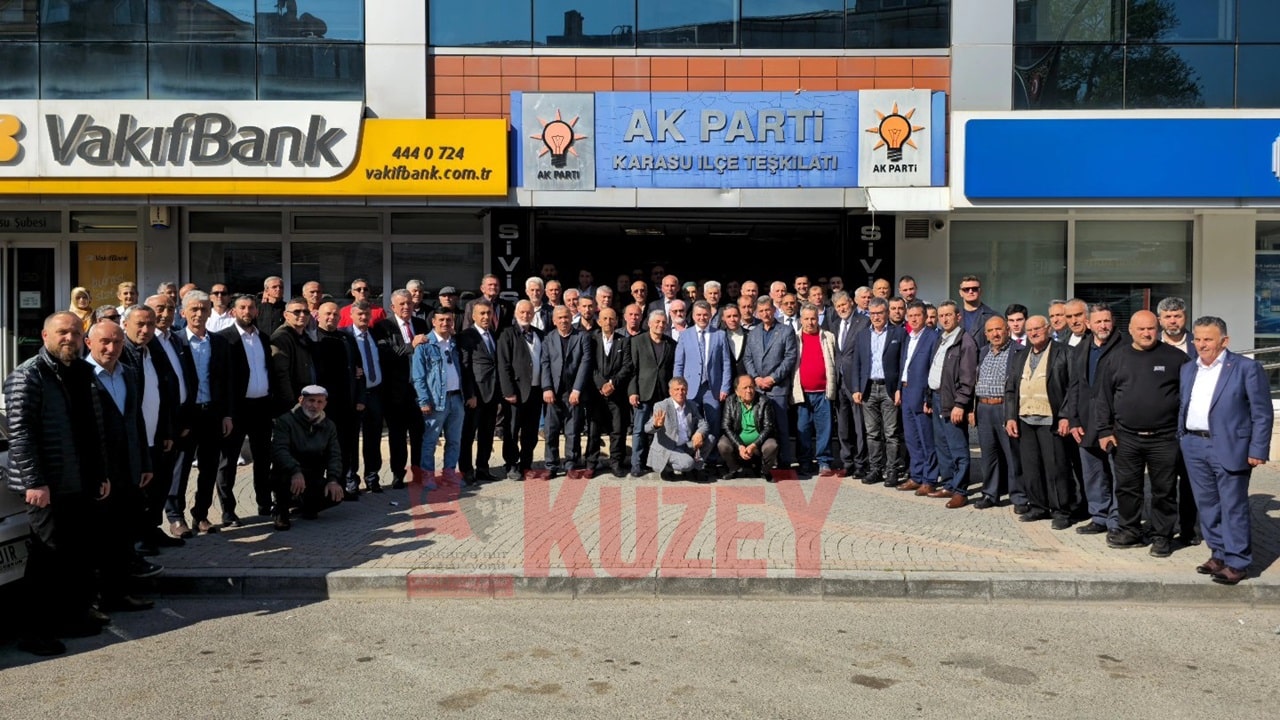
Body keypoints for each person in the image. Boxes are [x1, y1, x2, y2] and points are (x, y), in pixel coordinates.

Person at [3, 312, 111, 656]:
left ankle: (71, 618)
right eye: (62, 332)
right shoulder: (28, 376)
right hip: (46, 486)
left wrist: (100, 473)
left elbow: (92, 429)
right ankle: (34, 632)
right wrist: (34, 481)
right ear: (45, 335)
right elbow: (20, 435)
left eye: (76, 333)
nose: (70, 338)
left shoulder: (80, 372)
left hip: (78, 481)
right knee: (46, 559)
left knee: (75, 556)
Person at [1178, 316, 1272, 585]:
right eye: (1197, 339)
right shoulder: (1188, 368)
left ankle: (1237, 561)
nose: (1201, 344)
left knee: (1233, 506)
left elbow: (1262, 413)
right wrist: (1182, 438)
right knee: (1207, 505)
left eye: (1208, 339)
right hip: (1194, 445)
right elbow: (1184, 405)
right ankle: (1218, 554)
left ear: (1224, 341)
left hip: (1231, 447)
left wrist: (1258, 449)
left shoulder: (1246, 368)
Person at [1095, 310, 1192, 558]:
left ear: (1158, 329)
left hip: (1165, 438)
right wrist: (1104, 430)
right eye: (1141, 329)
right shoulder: (1116, 358)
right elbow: (1103, 397)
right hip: (1126, 437)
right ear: (1131, 330)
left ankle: (1162, 537)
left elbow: (1188, 397)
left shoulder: (1176, 358)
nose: (1147, 333)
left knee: (1164, 490)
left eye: (1151, 328)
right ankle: (1130, 531)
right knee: (1127, 488)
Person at [85, 320, 161, 610]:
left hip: (128, 468)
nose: (111, 348)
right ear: (89, 343)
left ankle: (118, 594)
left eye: (117, 342)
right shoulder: (80, 376)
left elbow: (135, 420)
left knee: (122, 533)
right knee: (98, 537)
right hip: (98, 470)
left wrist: (144, 461)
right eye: (104, 342)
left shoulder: (128, 372)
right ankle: (95, 598)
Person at [119, 304, 182, 555]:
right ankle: (136, 538)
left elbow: (165, 391)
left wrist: (167, 430)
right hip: (135, 439)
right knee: (138, 491)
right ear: (125, 324)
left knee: (159, 486)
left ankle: (151, 529)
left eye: (150, 325)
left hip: (156, 434)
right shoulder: (122, 353)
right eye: (140, 324)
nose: (146, 330)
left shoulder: (152, 351)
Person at [1004, 315, 1074, 528]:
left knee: (1056, 467)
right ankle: (1038, 507)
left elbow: (1073, 387)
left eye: (1038, 329)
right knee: (1031, 467)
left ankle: (1061, 510)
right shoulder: (1020, 355)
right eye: (1030, 330)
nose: (1033, 333)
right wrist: (1010, 417)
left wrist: (1066, 415)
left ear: (1048, 328)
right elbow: (1011, 388)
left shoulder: (1064, 352)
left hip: (1051, 419)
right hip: (1025, 419)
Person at [177, 290, 234, 536]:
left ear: (210, 312)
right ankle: (176, 516)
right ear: (183, 312)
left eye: (203, 309)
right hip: (187, 416)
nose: (199, 313)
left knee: (209, 468)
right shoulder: (176, 342)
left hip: (212, 413)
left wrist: (227, 414)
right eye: (194, 309)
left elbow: (227, 381)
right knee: (180, 469)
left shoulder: (219, 343)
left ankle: (200, 515)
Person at [1065, 303, 1125, 533]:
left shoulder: (1125, 346)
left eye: (1106, 320)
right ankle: (1099, 516)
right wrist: (1073, 420)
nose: (1103, 325)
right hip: (1086, 421)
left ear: (1113, 322)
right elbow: (1074, 387)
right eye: (1098, 321)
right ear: (1089, 324)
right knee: (1093, 472)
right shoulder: (1081, 348)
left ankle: (1117, 519)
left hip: (1115, 422)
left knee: (1118, 474)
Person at [218, 294, 275, 522]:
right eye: (242, 307)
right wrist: (226, 412)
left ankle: (264, 503)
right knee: (229, 461)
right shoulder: (224, 339)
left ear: (257, 311)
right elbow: (222, 378)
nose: (247, 312)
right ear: (233, 311)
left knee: (263, 458)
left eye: (251, 307)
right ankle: (228, 509)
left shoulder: (263, 338)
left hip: (262, 407)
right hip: (237, 409)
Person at [924, 300, 977, 506]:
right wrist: (929, 398)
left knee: (958, 447)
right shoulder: (941, 338)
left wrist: (960, 404)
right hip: (937, 397)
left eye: (949, 315)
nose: (944, 319)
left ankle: (960, 491)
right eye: (941, 315)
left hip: (953, 402)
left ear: (958, 317)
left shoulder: (965, 342)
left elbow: (968, 378)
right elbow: (935, 369)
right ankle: (948, 484)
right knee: (943, 446)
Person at [270, 385, 345, 530]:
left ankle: (307, 506)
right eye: (311, 400)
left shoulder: (329, 426)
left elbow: (334, 455)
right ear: (301, 400)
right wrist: (295, 471)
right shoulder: (285, 421)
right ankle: (281, 510)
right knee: (282, 480)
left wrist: (333, 479)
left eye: (319, 402)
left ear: (325, 404)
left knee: (335, 493)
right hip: (288, 473)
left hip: (312, 474)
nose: (315, 406)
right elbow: (279, 451)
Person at [375, 289, 429, 488]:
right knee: (397, 435)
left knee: (418, 434)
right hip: (395, 391)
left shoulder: (421, 324)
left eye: (409, 303)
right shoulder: (383, 326)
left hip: (418, 391)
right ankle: (398, 474)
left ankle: (418, 472)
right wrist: (411, 345)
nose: (407, 307)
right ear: (392, 307)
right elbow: (386, 354)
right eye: (402, 304)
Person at [970, 315, 1024, 509]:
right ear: (986, 334)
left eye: (999, 329)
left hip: (1004, 408)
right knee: (988, 455)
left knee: (1012, 454)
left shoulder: (1018, 351)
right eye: (991, 331)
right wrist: (973, 409)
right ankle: (990, 494)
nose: (995, 334)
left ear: (1007, 330)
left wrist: (1012, 413)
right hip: (984, 408)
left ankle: (1019, 497)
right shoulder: (983, 351)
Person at [850, 297, 905, 486]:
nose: (876, 317)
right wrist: (856, 388)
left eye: (880, 313)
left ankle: (892, 470)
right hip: (868, 388)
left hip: (889, 388)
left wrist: (899, 389)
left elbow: (902, 363)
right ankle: (875, 469)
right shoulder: (862, 335)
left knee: (891, 433)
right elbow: (856, 363)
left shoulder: (898, 333)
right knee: (872, 432)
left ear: (887, 313)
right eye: (872, 314)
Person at [315, 301, 365, 497]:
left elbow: (360, 369)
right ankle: (319, 489)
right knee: (320, 450)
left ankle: (342, 486)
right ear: (318, 316)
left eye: (335, 314)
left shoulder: (346, 338)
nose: (332, 317)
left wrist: (360, 398)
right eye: (328, 314)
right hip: (321, 407)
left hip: (347, 404)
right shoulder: (313, 339)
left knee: (345, 448)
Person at [412, 306, 466, 487]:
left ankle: (449, 472)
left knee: (454, 440)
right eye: (441, 320)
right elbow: (418, 376)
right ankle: (427, 474)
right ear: (433, 322)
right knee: (430, 440)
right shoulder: (424, 345)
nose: (445, 323)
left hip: (456, 398)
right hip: (436, 401)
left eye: (448, 320)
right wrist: (423, 400)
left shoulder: (455, 344)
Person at [674, 300, 732, 467]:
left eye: (705, 315)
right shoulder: (685, 335)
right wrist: (677, 388)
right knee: (690, 423)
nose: (702, 318)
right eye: (698, 315)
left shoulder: (719, 335)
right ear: (693, 316)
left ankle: (711, 457)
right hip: (690, 388)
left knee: (713, 422)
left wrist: (725, 387)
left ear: (710, 315)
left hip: (712, 388)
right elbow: (679, 363)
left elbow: (726, 363)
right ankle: (691, 456)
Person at [743, 297, 798, 469]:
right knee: (759, 426)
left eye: (768, 310)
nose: (765, 314)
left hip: (777, 387)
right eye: (761, 311)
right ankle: (762, 462)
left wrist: (773, 378)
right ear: (757, 313)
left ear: (774, 310)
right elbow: (747, 358)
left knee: (781, 426)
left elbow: (790, 358)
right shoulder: (753, 333)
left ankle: (785, 462)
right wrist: (756, 378)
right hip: (758, 387)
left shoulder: (786, 331)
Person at [540, 305, 593, 477]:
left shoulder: (582, 337)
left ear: (571, 318)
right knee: (551, 431)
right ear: (554, 321)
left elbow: (585, 363)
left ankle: (570, 464)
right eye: (560, 318)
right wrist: (547, 387)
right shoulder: (548, 338)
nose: (563, 320)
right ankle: (551, 465)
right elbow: (545, 363)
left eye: (566, 317)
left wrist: (577, 389)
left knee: (573, 431)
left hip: (573, 392)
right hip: (553, 393)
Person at [497, 300, 545, 479]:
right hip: (516, 392)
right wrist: (508, 391)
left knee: (531, 432)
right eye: (522, 312)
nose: (526, 315)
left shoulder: (539, 334)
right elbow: (503, 365)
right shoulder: (507, 334)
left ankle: (526, 464)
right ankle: (511, 464)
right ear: (516, 313)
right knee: (512, 430)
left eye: (529, 312)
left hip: (536, 390)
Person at [897, 301, 940, 494]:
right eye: (911, 316)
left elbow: (932, 369)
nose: (914, 319)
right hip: (906, 391)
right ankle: (916, 475)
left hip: (921, 393)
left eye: (917, 315)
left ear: (924, 316)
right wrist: (899, 388)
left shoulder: (932, 337)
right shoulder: (908, 337)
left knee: (926, 438)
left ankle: (929, 479)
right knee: (912, 438)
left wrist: (928, 398)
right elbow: (904, 365)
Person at [458, 299, 502, 485]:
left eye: (488, 313)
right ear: (473, 316)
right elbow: (465, 367)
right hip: (475, 394)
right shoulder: (466, 336)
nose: (486, 317)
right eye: (482, 313)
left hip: (492, 392)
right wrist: (470, 394)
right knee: (468, 434)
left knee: (487, 433)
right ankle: (466, 470)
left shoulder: (493, 334)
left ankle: (483, 468)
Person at [628, 310, 677, 476]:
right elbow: (632, 370)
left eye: (663, 322)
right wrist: (633, 391)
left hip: (663, 394)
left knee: (661, 430)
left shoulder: (671, 344)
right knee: (639, 430)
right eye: (657, 322)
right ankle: (636, 464)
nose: (660, 325)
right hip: (643, 392)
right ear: (649, 323)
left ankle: (657, 462)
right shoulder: (637, 341)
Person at [586, 307, 633, 477]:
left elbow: (627, 366)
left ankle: (615, 463)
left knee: (617, 430)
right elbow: (589, 365)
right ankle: (591, 463)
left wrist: (612, 383)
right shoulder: (592, 340)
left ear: (617, 321)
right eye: (604, 319)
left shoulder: (624, 341)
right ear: (599, 321)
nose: (608, 322)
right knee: (594, 431)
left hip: (616, 393)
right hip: (596, 394)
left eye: (611, 319)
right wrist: (601, 384)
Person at [794, 304, 839, 476]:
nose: (810, 322)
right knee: (803, 429)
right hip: (802, 393)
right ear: (801, 320)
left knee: (824, 429)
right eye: (806, 319)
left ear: (818, 319)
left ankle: (824, 462)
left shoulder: (828, 337)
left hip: (823, 393)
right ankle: (805, 462)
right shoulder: (795, 338)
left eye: (813, 318)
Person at [346, 300, 385, 493]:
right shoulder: (345, 337)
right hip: (354, 396)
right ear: (351, 315)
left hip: (375, 393)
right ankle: (351, 479)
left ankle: (372, 477)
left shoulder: (376, 334)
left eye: (366, 314)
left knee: (374, 438)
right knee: (351, 439)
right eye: (360, 314)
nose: (363, 317)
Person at [831, 290, 870, 479]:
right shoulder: (834, 325)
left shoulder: (863, 322)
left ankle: (861, 463)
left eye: (844, 304)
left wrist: (860, 384)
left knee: (859, 426)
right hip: (838, 383)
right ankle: (847, 462)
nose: (841, 308)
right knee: (843, 426)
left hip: (856, 383)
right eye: (838, 306)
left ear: (851, 303)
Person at [645, 377, 711, 481]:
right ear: (670, 392)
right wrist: (656, 425)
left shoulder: (691, 405)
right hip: (669, 448)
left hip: (686, 444)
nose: (680, 392)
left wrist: (699, 433)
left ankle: (696, 469)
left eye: (683, 389)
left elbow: (703, 424)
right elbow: (647, 428)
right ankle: (667, 467)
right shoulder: (661, 406)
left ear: (687, 391)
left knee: (710, 438)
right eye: (676, 389)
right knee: (688, 463)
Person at [718, 374, 780, 481]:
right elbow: (726, 426)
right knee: (722, 444)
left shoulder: (764, 401)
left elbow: (768, 427)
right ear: (737, 391)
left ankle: (764, 471)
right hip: (738, 442)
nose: (749, 391)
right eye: (745, 387)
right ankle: (734, 469)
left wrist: (754, 445)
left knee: (772, 445)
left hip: (758, 442)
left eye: (751, 387)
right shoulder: (730, 401)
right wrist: (739, 446)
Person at [270, 297, 319, 416]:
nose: (302, 315)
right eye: (297, 312)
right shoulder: (281, 338)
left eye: (306, 312)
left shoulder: (304, 337)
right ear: (286, 315)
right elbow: (281, 374)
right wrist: (291, 403)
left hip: (307, 399)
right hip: (292, 404)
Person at [958, 275, 997, 344]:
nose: (970, 291)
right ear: (961, 293)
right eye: (966, 289)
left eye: (974, 289)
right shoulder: (954, 316)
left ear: (980, 291)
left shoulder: (992, 316)